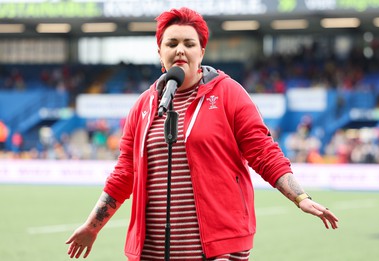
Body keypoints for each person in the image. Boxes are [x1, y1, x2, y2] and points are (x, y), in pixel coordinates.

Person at [65, 7, 339, 261]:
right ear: (160, 52)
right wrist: (92, 226)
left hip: (219, 247)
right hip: (151, 250)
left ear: (202, 51)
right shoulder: (143, 105)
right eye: (171, 44)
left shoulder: (228, 93)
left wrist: (300, 198)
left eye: (189, 43)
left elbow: (263, 152)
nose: (180, 50)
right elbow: (125, 172)